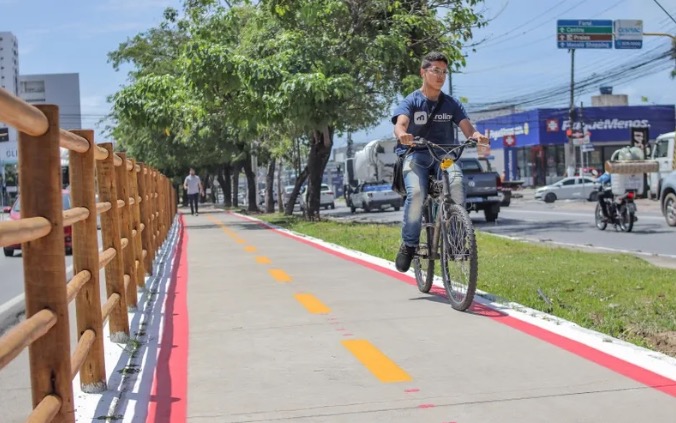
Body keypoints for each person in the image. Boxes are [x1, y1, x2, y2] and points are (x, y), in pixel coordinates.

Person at [391, 51, 489, 273]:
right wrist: (402, 134)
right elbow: (400, 123)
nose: (440, 76)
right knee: (416, 193)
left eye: (444, 72)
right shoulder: (412, 101)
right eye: (435, 70)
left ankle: (455, 241)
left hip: (444, 157)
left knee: (455, 183)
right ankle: (409, 245)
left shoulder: (451, 104)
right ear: (423, 72)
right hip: (416, 154)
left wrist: (477, 137)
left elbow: (468, 129)